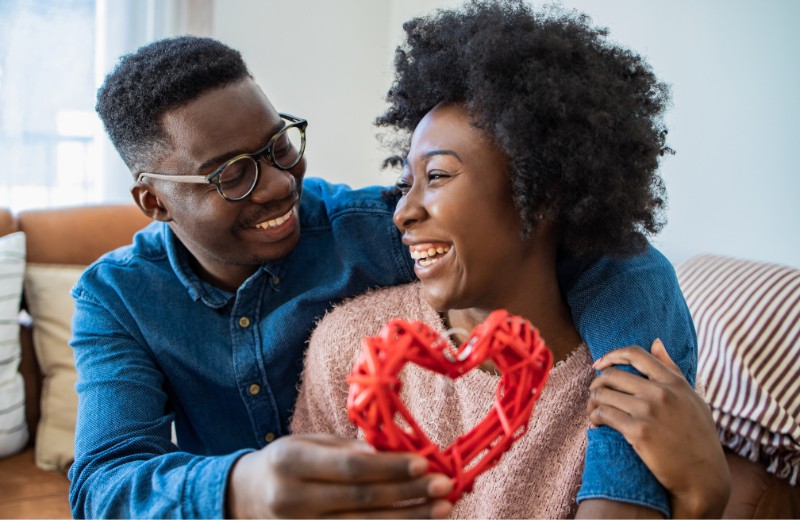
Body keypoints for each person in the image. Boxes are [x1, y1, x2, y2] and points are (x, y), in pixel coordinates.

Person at [70, 18, 697, 520]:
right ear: (155, 201)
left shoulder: (365, 231)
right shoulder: (115, 299)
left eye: (279, 146)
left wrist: (622, 485)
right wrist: (240, 487)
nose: (279, 185)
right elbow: (103, 482)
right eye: (232, 175)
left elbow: (619, 259)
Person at [291, 1, 729, 518]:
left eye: (437, 176)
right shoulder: (348, 348)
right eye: (406, 184)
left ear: (539, 197)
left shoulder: (627, 392)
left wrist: (702, 497)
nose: (403, 213)